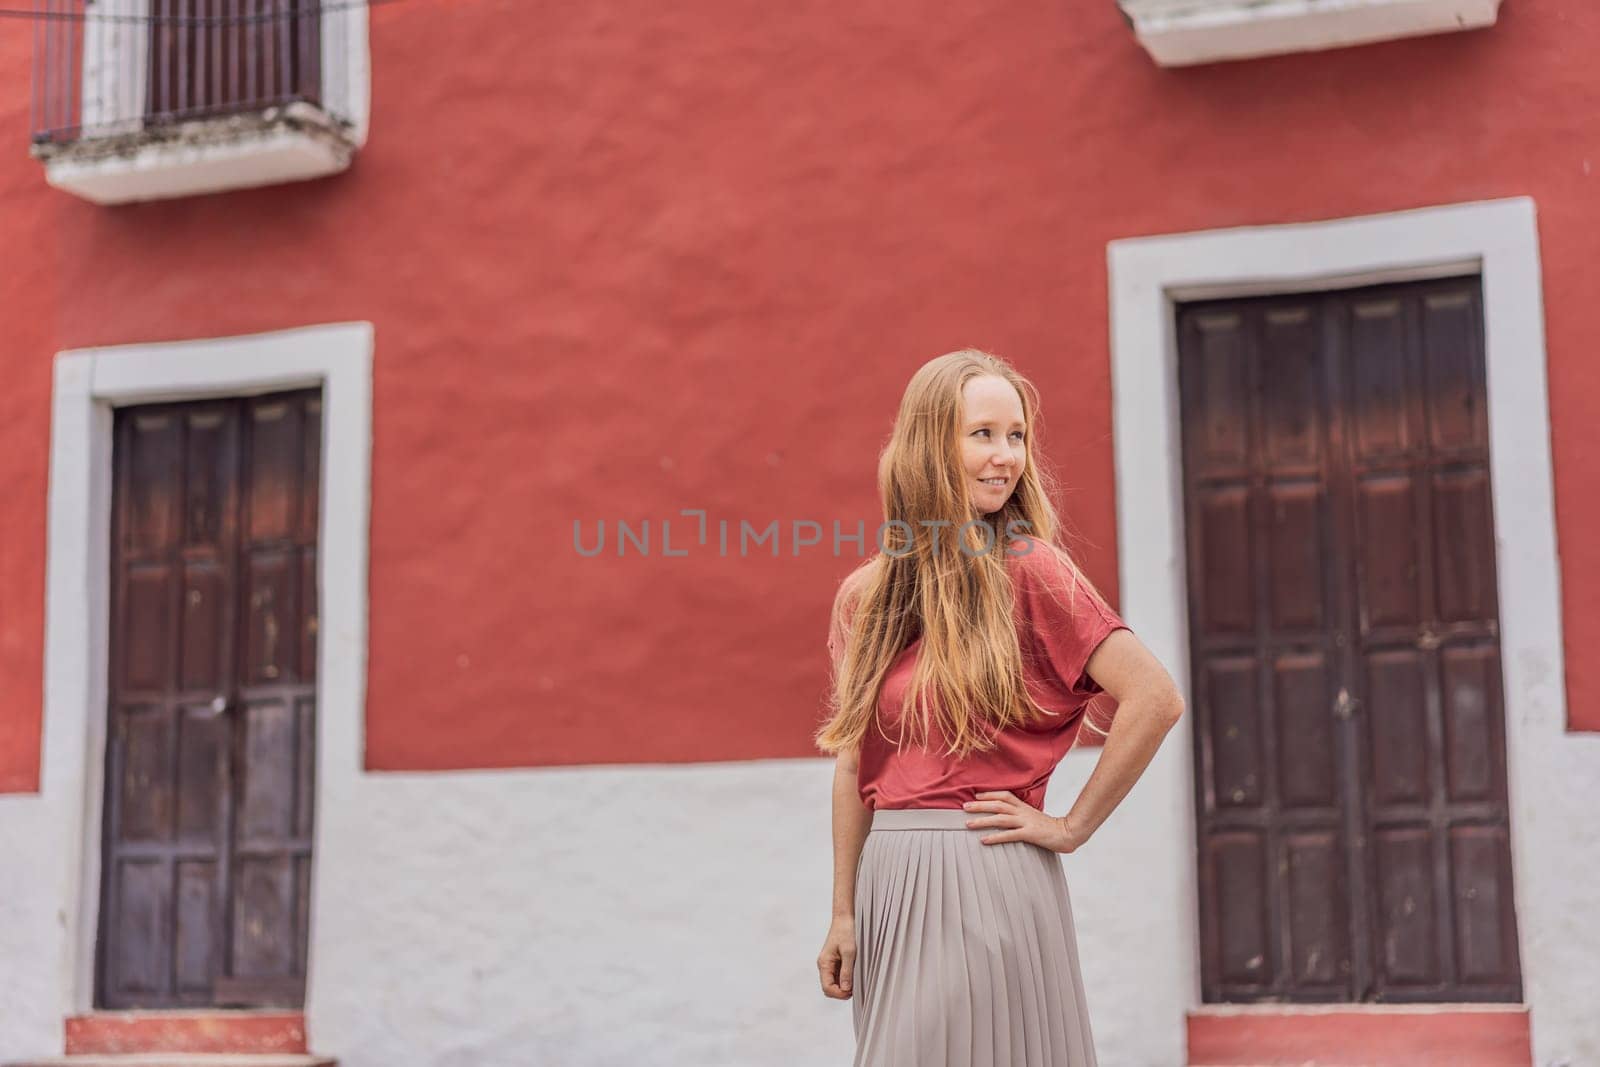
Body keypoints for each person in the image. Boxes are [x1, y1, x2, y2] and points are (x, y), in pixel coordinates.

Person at [813, 348, 1184, 1067]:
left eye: (1016, 436)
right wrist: (842, 909)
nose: (1006, 455)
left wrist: (1070, 826)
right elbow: (855, 759)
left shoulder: (1032, 567)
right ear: (929, 444)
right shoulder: (869, 597)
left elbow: (1155, 697)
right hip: (890, 880)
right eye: (982, 433)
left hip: (986, 872)